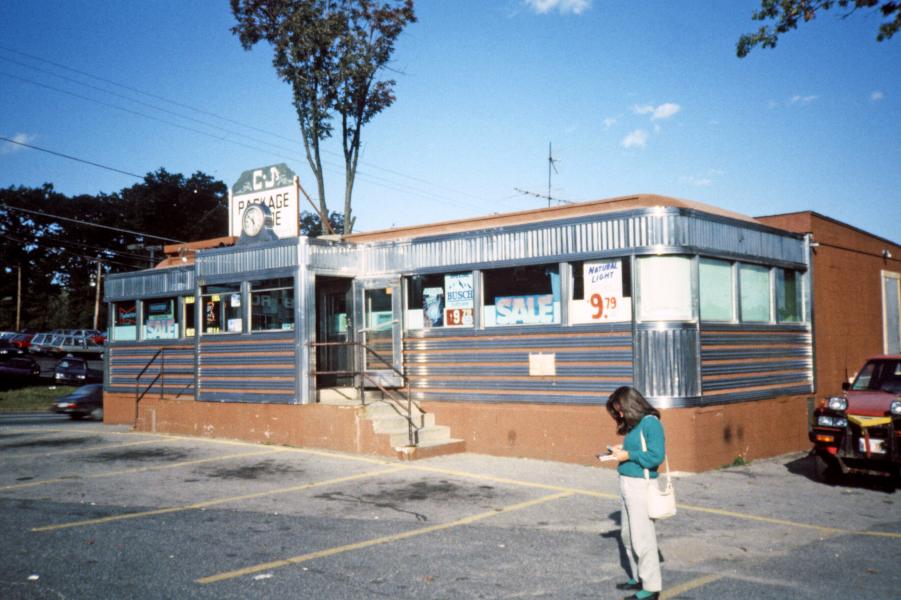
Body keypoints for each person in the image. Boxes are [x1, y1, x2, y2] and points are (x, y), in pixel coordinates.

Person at [605, 386, 665, 600]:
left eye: (621, 410)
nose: (620, 415)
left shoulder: (651, 423)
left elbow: (656, 456)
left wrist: (628, 455)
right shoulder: (635, 424)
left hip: (641, 485)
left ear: (632, 405)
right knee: (628, 536)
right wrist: (621, 451)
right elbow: (638, 450)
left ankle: (651, 588)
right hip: (627, 483)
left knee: (642, 538)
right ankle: (639, 577)